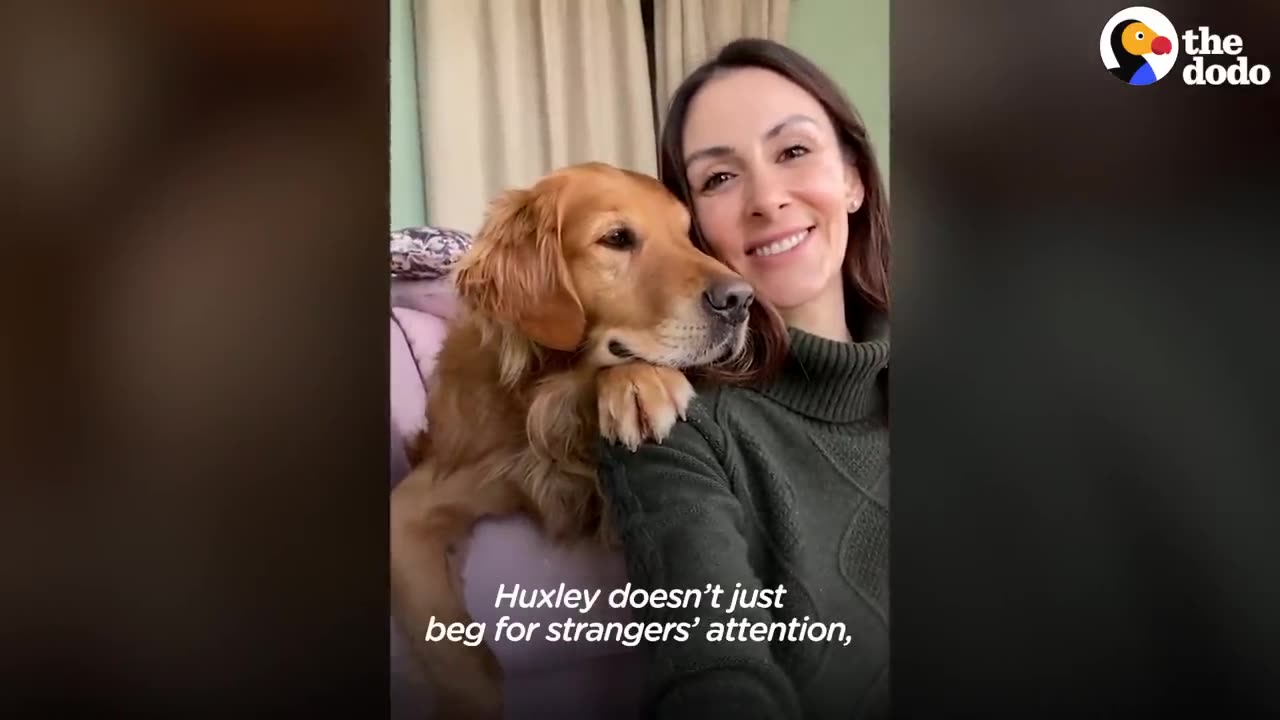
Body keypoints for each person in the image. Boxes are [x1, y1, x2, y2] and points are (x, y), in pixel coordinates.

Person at [596, 38, 890, 720]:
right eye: (719, 179)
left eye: (793, 152)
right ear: (693, 226)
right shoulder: (673, 424)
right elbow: (712, 667)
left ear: (853, 178)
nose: (766, 199)